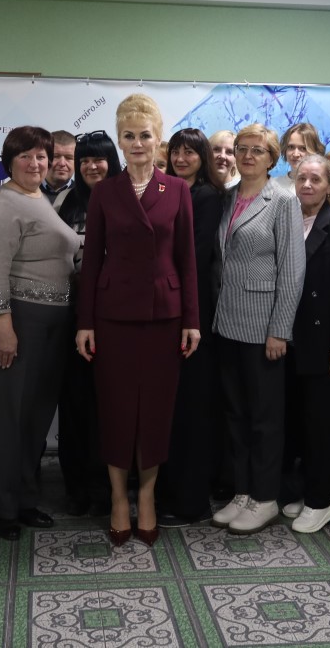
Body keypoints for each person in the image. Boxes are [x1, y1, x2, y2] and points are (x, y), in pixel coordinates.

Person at [77, 94, 200, 546]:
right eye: (128, 136)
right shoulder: (105, 192)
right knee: (115, 409)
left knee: (155, 412)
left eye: (145, 135)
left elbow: (187, 259)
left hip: (164, 316)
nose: (137, 143)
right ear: (120, 140)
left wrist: (192, 319)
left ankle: (146, 496)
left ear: (158, 138)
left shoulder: (177, 190)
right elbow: (92, 261)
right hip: (113, 316)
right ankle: (117, 497)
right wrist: (85, 322)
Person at [0, 125, 78, 540]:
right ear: (8, 162)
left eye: (41, 156)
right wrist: (4, 329)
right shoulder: (3, 204)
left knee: (36, 414)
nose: (35, 163)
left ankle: (26, 498)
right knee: (12, 414)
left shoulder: (37, 199)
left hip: (49, 321)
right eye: (25, 156)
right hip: (14, 318)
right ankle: (6, 508)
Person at [210, 124, 305, 535]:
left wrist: (280, 330)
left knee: (265, 419)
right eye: (242, 148)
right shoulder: (229, 196)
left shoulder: (283, 199)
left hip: (264, 329)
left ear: (272, 158)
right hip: (227, 323)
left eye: (257, 150)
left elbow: (293, 271)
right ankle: (243, 491)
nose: (247, 156)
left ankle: (265, 498)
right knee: (236, 415)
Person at [279, 154, 330, 534]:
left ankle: (322, 501)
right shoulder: (289, 220)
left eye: (316, 179)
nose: (307, 185)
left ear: (329, 185)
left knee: (322, 427)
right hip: (294, 341)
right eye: (302, 178)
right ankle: (309, 490)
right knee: (300, 424)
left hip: (325, 343)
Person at [160, 127, 226, 526]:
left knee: (194, 409)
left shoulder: (205, 196)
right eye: (176, 152)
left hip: (194, 310)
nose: (181, 159)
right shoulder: (165, 190)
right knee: (172, 408)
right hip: (166, 310)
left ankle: (192, 501)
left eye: (190, 152)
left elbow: (196, 256)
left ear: (203, 157)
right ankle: (170, 492)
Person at [55, 129, 121, 519]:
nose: (91, 166)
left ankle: (107, 486)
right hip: (73, 315)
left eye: (99, 158)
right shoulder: (66, 202)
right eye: (84, 160)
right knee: (75, 403)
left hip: (115, 317)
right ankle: (76, 486)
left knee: (108, 406)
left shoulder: (127, 199)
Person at [44, 130, 76, 210]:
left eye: (69, 158)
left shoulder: (86, 195)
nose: (62, 163)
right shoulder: (26, 191)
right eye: (56, 157)